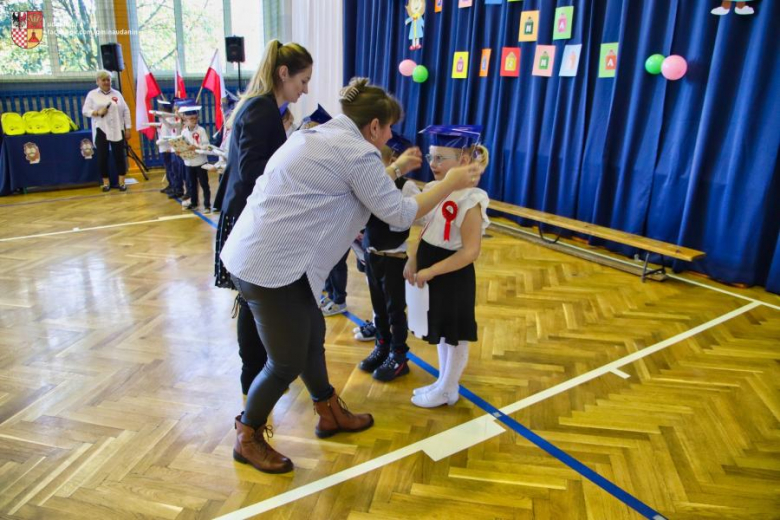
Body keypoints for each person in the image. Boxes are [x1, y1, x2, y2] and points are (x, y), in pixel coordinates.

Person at [220, 77, 485, 474]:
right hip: (272, 266)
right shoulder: (356, 152)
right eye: (389, 126)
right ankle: (248, 435)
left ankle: (329, 411)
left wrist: (402, 172)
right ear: (374, 126)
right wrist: (447, 184)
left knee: (311, 336)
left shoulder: (320, 134)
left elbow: (368, 189)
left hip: (263, 256)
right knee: (285, 361)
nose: (392, 134)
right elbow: (396, 212)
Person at [213, 40, 313, 404]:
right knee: (253, 300)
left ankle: (255, 375)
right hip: (247, 218)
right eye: (302, 81)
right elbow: (253, 171)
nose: (305, 90)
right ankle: (252, 378)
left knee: (252, 299)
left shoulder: (262, 107)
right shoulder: (261, 110)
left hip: (244, 214)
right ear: (283, 73)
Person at [404, 125, 490, 408]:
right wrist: (414, 259)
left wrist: (432, 270)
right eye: (432, 157)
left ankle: (449, 387)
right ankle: (444, 383)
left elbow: (470, 252)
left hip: (452, 276)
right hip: (433, 273)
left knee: (455, 334)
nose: (433, 164)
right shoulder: (434, 189)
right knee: (442, 330)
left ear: (464, 161)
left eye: (441, 158)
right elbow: (426, 229)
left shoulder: (471, 200)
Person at [358, 133, 421, 382]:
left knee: (395, 310)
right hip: (372, 255)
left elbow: (422, 216)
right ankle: (382, 346)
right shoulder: (371, 184)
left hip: (395, 258)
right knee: (378, 308)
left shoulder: (406, 187)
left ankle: (399, 355)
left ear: (393, 157)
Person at [82, 70, 131, 192]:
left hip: (117, 128)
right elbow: (85, 110)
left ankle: (122, 182)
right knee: (102, 157)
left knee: (119, 156)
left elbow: (126, 111)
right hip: (101, 128)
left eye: (108, 80)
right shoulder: (92, 94)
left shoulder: (117, 94)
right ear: (98, 81)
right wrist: (97, 112)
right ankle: (105, 183)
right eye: (103, 80)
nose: (106, 82)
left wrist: (128, 128)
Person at [178, 106, 211, 213]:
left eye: (195, 118)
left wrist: (197, 147)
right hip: (189, 162)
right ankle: (194, 202)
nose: (194, 121)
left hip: (200, 161)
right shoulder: (184, 132)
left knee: (204, 184)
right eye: (191, 119)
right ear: (185, 120)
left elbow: (207, 146)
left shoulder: (201, 130)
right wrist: (179, 150)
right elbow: (182, 144)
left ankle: (207, 205)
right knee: (191, 184)